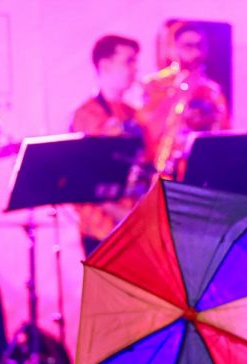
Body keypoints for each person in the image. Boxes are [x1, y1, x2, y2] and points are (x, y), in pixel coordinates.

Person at [71, 34, 144, 255]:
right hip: (102, 230)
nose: (135, 69)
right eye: (129, 61)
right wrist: (121, 214)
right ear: (105, 65)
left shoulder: (134, 113)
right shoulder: (87, 115)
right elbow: (86, 179)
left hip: (133, 225)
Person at [140, 22, 230, 178]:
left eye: (199, 46)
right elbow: (147, 126)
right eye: (188, 46)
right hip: (156, 168)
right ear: (173, 47)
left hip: (195, 168)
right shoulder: (154, 84)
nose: (196, 52)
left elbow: (222, 131)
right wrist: (181, 92)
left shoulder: (211, 90)